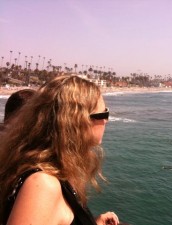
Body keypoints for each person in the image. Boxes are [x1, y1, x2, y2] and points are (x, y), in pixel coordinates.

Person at [0, 76, 119, 225]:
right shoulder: (43, 185)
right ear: (79, 121)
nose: (106, 121)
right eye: (104, 114)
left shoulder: (56, 172)